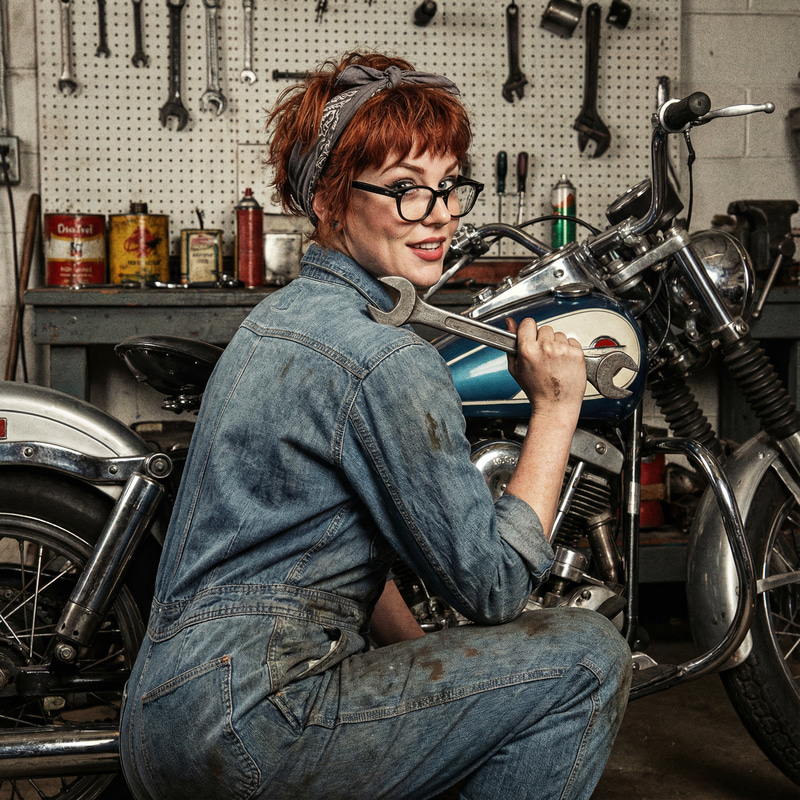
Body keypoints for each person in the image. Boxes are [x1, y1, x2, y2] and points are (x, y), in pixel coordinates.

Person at [119, 51, 631, 800]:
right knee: (588, 655)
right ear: (330, 201)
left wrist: (444, 688)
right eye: (404, 190)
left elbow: (333, 544)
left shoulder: (276, 321)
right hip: (259, 726)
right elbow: (493, 590)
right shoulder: (383, 356)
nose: (442, 215)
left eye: (449, 185)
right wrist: (558, 408)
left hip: (169, 720)